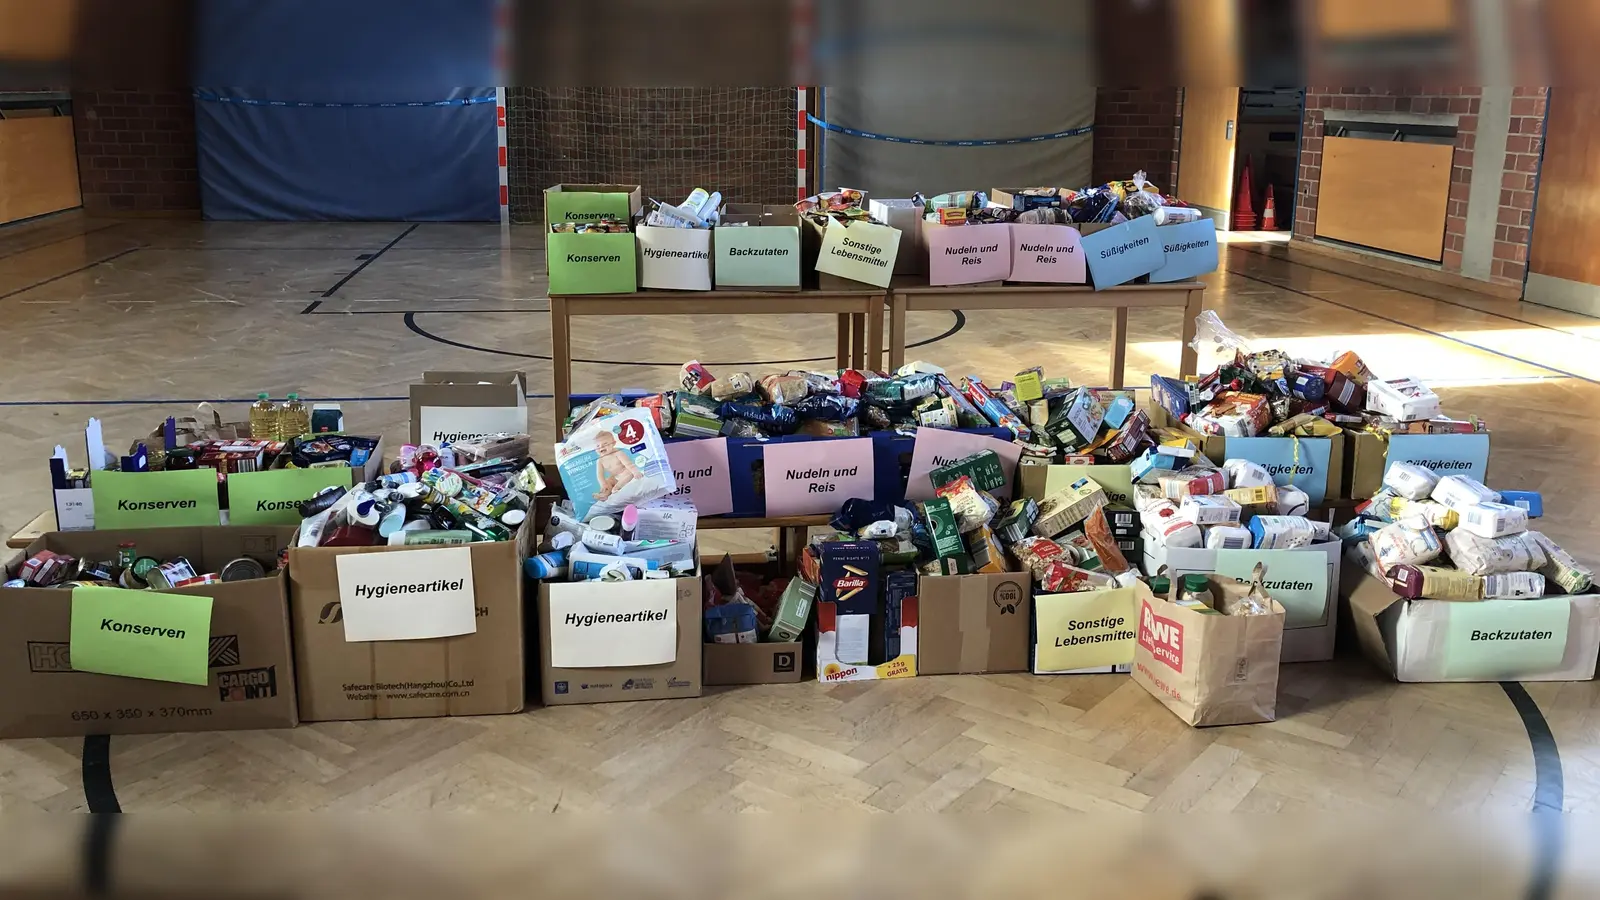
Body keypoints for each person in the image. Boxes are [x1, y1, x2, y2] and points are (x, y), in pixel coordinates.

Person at [592, 429, 644, 502]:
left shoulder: (618, 453)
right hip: (614, 477)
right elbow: (600, 475)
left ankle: (617, 488)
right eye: (598, 446)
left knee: (628, 473)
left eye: (605, 444)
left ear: (613, 443)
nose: (601, 447)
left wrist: (635, 472)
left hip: (625, 473)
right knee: (607, 482)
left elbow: (628, 464)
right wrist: (603, 484)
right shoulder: (600, 460)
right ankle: (604, 494)